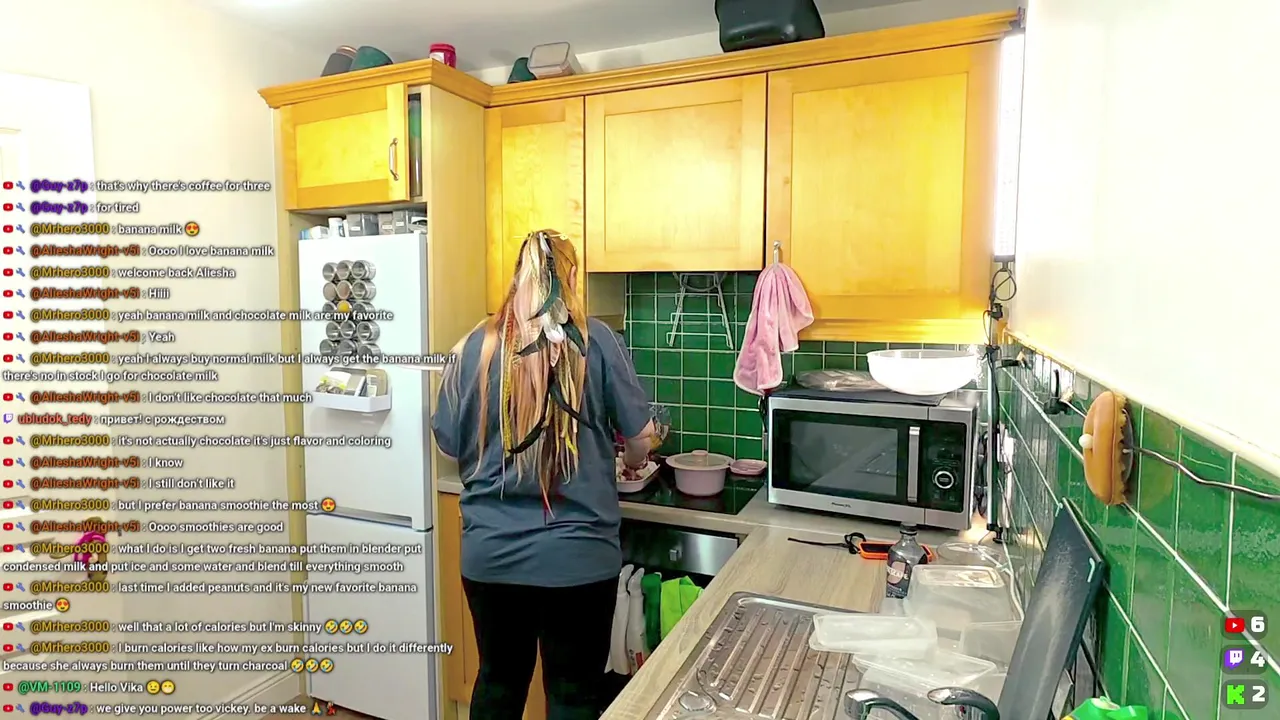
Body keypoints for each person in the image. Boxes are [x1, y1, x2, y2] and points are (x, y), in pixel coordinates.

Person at [431, 230, 654, 720]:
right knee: (574, 693)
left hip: (491, 557)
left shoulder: (473, 346)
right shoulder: (596, 341)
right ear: (569, 278)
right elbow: (641, 438)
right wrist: (634, 458)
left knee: (498, 682)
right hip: (579, 559)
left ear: (518, 277)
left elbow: (447, 443)